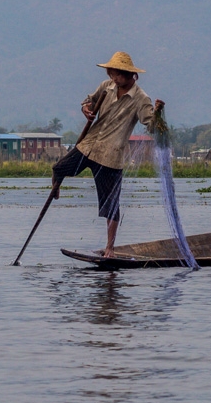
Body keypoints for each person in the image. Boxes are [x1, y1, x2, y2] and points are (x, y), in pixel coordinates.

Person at [50, 51, 164, 258]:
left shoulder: (140, 99)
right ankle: (56, 187)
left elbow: (151, 125)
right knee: (58, 168)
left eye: (117, 74)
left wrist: (157, 114)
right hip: (90, 145)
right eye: (111, 73)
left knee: (110, 205)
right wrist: (86, 109)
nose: (113, 77)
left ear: (131, 75)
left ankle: (110, 248)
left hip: (110, 157)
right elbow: (89, 102)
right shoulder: (106, 87)